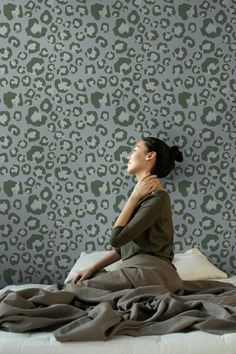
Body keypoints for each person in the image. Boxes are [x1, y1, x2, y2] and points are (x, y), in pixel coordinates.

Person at [73, 136, 184, 293]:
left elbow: (115, 239)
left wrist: (133, 197)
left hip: (149, 272)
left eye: (134, 150)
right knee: (84, 282)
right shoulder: (146, 198)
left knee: (75, 291)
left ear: (150, 156)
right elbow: (123, 247)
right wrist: (91, 268)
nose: (128, 156)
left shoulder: (157, 199)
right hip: (142, 271)